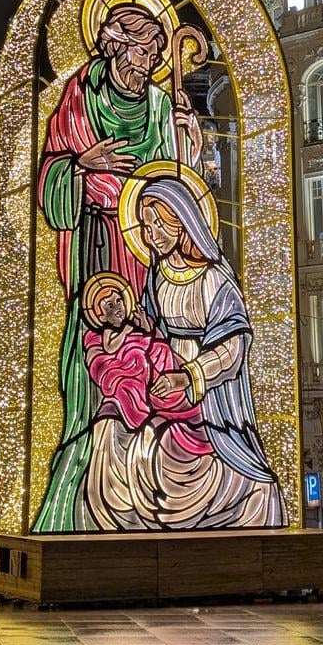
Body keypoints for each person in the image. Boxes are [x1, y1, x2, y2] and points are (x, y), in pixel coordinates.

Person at [33, 3, 202, 532]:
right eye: (140, 51)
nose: (147, 63)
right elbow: (49, 175)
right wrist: (82, 165)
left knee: (150, 340)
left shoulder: (159, 103)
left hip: (145, 243)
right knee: (91, 350)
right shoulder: (79, 96)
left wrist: (189, 139)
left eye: (154, 53)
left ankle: (149, 473)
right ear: (112, 45)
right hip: (94, 241)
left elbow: (179, 180)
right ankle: (86, 458)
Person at [130, 176, 286, 528]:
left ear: (181, 220)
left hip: (209, 390)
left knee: (201, 459)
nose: (151, 235)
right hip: (166, 382)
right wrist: (146, 328)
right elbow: (158, 329)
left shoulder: (215, 279)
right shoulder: (157, 276)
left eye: (158, 223)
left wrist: (188, 376)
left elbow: (232, 347)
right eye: (146, 226)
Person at [80, 270, 203, 530]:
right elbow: (103, 367)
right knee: (107, 431)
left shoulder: (140, 331)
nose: (117, 308)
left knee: (153, 433)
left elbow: (159, 353)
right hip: (123, 397)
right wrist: (129, 349)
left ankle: (150, 500)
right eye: (109, 305)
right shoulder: (94, 338)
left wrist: (148, 334)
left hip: (150, 393)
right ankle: (113, 504)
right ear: (98, 314)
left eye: (119, 301)